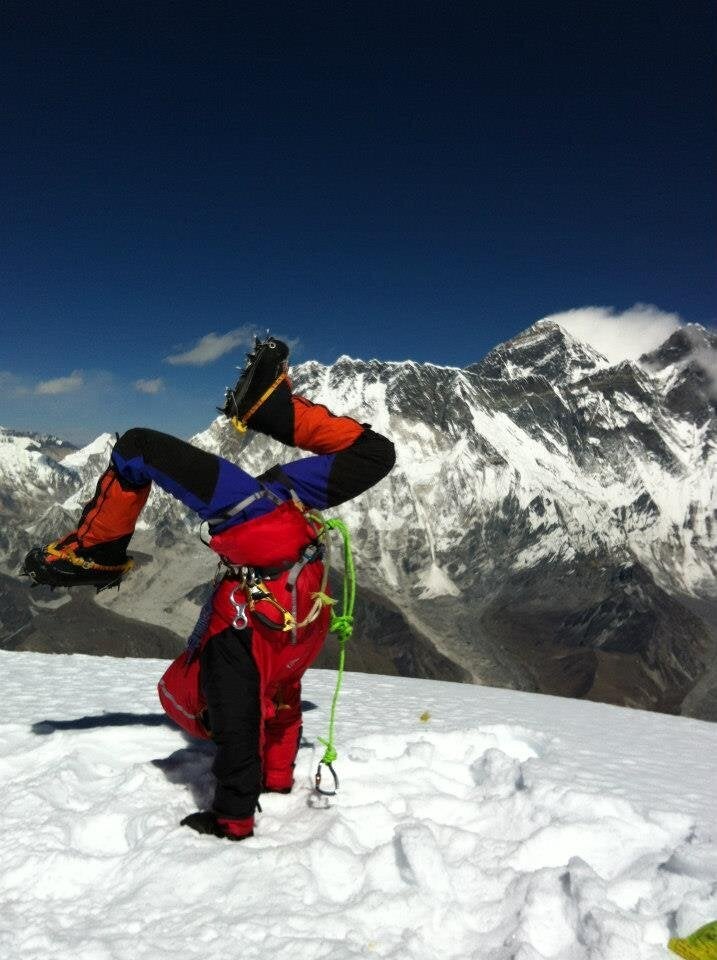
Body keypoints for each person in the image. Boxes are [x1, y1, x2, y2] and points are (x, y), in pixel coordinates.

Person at [23, 337, 395, 841]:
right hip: (270, 527)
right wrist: (237, 813)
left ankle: (98, 551)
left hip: (288, 542)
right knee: (137, 449)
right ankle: (99, 550)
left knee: (374, 453)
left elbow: (264, 723)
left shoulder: (267, 662)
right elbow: (249, 730)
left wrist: (262, 790)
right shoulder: (238, 657)